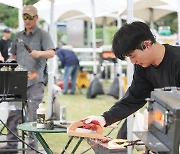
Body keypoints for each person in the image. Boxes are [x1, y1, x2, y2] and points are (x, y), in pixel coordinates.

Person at [83, 21, 180, 129]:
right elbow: (134, 98)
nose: (132, 61)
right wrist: (104, 119)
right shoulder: (143, 67)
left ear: (146, 44)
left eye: (132, 56)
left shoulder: (177, 60)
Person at [0, 5, 55, 153]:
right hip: (17, 81)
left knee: (33, 115)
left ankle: (33, 147)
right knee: (13, 113)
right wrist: (10, 62)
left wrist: (39, 53)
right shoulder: (18, 36)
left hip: (35, 81)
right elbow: (13, 56)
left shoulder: (43, 34)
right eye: (25, 17)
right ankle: (11, 145)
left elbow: (51, 53)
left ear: (36, 18)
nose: (28, 20)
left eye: (30, 17)